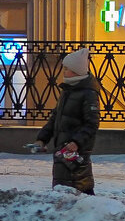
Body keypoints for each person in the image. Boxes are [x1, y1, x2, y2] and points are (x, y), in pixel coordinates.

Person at [35, 46, 100, 194]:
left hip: (75, 152)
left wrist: (76, 142)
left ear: (76, 71)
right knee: (63, 192)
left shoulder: (88, 93)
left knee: (79, 190)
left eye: (67, 69)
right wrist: (42, 139)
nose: (64, 71)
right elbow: (55, 119)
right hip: (62, 151)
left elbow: (92, 123)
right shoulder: (68, 90)